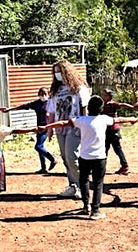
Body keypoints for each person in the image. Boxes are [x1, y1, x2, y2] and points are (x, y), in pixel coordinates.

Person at [40, 96, 136, 220]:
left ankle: (86, 206)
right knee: (98, 184)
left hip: (84, 157)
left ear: (88, 108)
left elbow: (64, 123)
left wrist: (48, 126)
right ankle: (95, 210)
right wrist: (132, 119)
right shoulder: (104, 119)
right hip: (99, 158)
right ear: (101, 109)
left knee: (83, 181)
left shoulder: (81, 120)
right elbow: (119, 119)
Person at [46, 60, 90, 198]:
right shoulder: (55, 90)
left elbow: (85, 108)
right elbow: (51, 111)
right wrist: (49, 129)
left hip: (75, 127)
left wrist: (85, 126)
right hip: (60, 128)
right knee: (65, 158)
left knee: (72, 157)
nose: (57, 74)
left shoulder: (78, 88)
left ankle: (83, 185)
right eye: (55, 72)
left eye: (59, 71)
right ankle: (73, 186)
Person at [5, 87, 57, 174]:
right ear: (38, 95)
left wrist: (51, 129)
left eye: (45, 94)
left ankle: (52, 159)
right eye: (41, 94)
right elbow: (23, 106)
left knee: (38, 147)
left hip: (46, 127)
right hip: (38, 128)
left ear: (48, 94)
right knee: (41, 147)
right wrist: (10, 109)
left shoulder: (50, 103)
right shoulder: (36, 104)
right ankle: (43, 167)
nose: (43, 96)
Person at [101, 88, 135, 175]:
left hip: (111, 129)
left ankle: (103, 167)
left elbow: (122, 105)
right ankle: (123, 166)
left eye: (104, 95)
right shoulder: (104, 104)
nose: (103, 96)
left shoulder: (111, 104)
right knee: (112, 148)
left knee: (110, 148)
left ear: (109, 96)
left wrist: (132, 107)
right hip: (110, 129)